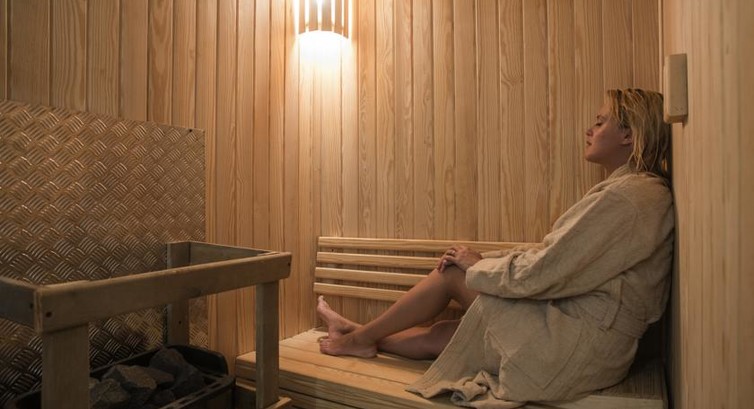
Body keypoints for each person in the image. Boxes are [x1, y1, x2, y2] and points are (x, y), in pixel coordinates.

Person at [317, 88, 674, 407]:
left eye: (600, 122)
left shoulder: (630, 198)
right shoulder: (636, 193)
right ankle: (358, 334)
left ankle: (358, 337)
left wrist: (476, 265)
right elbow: (555, 258)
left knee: (452, 273)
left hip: (574, 349)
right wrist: (484, 260)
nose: (589, 130)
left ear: (628, 134)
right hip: (589, 344)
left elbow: (546, 269)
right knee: (448, 335)